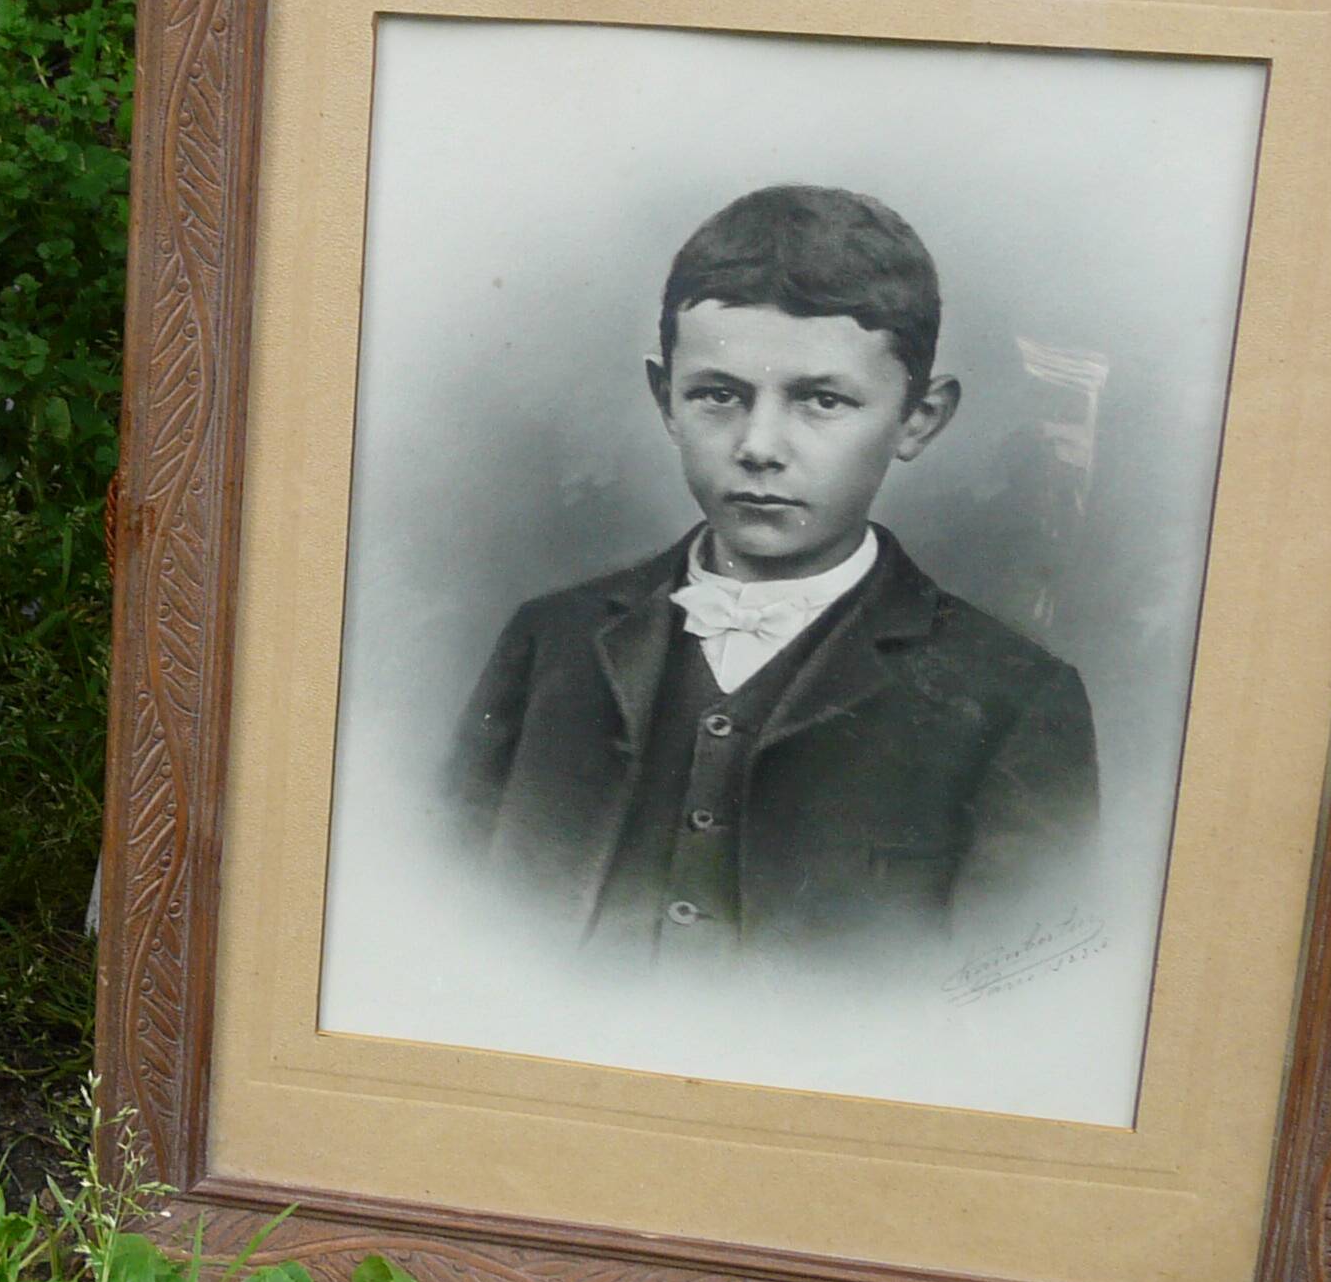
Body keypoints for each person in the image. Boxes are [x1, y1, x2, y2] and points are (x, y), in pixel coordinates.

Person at [446, 184, 1094, 948]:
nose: (759, 445)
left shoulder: (1013, 700)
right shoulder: (548, 642)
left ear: (918, 420)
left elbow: (1007, 999)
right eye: (718, 394)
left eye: (821, 401)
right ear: (665, 399)